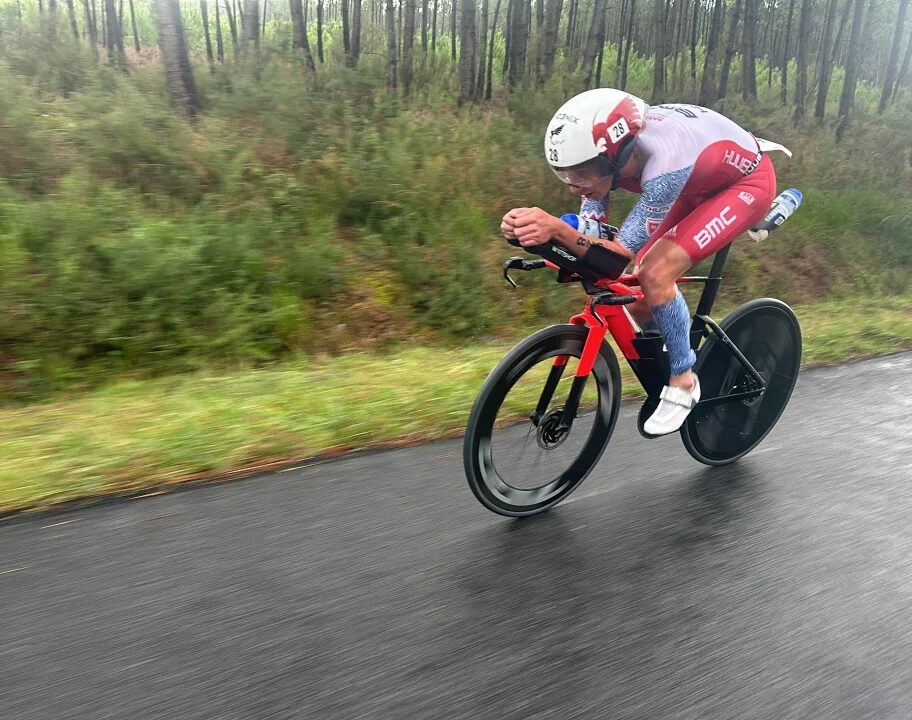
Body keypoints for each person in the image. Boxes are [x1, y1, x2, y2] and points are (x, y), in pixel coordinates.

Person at [501, 88, 788, 436]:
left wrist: (558, 231)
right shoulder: (607, 159)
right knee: (637, 300)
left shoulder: (663, 164)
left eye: (582, 174)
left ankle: (683, 380)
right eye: (566, 174)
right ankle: (671, 346)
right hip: (698, 179)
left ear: (617, 157)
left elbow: (614, 256)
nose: (575, 186)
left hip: (745, 184)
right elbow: (595, 234)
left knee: (655, 272)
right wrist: (540, 239)